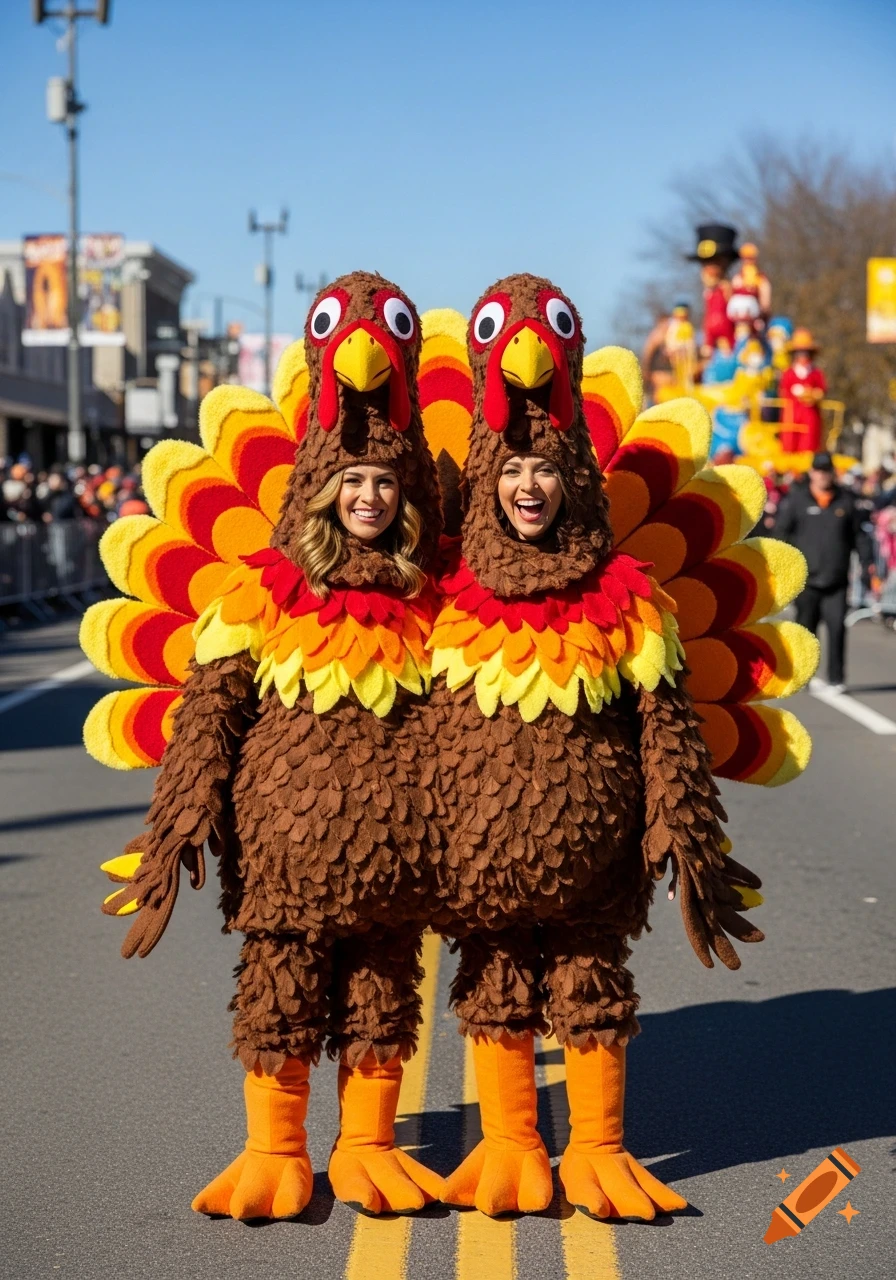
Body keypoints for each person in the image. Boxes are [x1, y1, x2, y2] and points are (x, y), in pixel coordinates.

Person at [774, 452, 867, 691]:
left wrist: (867, 564)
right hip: (807, 580)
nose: (823, 475)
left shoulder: (846, 501)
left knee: (837, 628)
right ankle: (804, 675)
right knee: (805, 631)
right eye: (819, 470)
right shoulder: (797, 500)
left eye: (827, 471)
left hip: (836, 578)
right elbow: (781, 534)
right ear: (812, 472)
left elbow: (859, 535)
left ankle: (837, 678)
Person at [779, 329, 826, 453]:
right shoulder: (788, 373)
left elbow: (821, 390)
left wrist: (813, 394)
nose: (803, 356)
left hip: (810, 414)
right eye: (799, 352)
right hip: (792, 413)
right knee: (790, 441)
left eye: (805, 352)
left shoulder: (816, 373)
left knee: (809, 441)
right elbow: (784, 391)